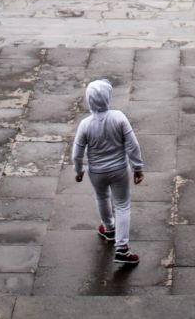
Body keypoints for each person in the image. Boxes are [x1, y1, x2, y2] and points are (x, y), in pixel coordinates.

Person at [72, 78, 146, 267]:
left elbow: (77, 154)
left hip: (96, 171)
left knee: (102, 197)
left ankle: (109, 228)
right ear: (107, 98)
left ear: (89, 101)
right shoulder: (119, 117)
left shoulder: (85, 125)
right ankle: (122, 248)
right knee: (122, 205)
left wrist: (79, 171)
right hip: (119, 169)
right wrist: (137, 167)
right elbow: (132, 145)